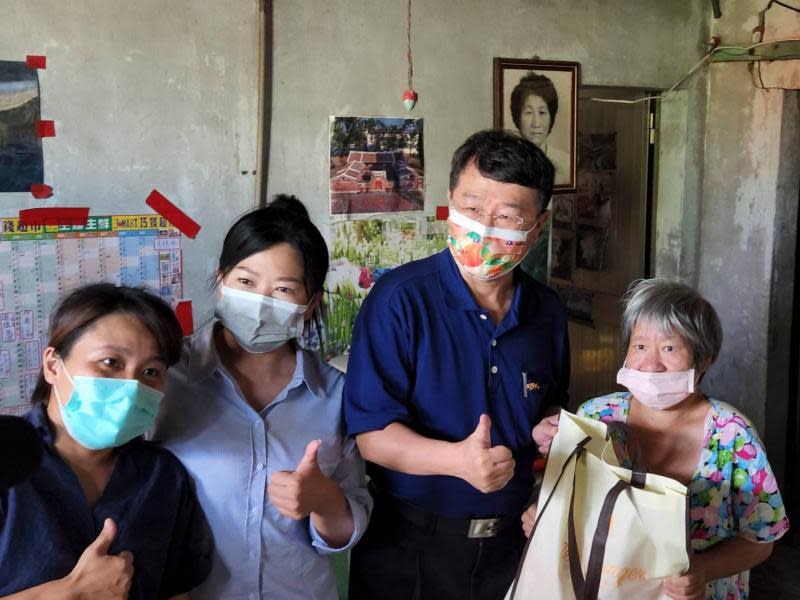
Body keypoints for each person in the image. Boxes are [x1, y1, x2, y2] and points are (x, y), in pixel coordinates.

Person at [345, 129, 570, 599]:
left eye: (507, 217)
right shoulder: (400, 301)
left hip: (514, 542)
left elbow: (550, 407)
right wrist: (456, 461)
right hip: (411, 545)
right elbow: (371, 436)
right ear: (449, 200)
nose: (485, 228)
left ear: (539, 223)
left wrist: (552, 430)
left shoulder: (546, 311)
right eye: (471, 209)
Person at [153, 195, 372, 600]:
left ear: (310, 304)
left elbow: (344, 533)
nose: (260, 303)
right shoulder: (166, 377)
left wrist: (324, 500)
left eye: (284, 289)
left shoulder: (337, 395)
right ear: (221, 281)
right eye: (246, 282)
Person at [532, 278, 789, 600]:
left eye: (669, 348)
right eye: (639, 346)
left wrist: (704, 569)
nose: (651, 364)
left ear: (703, 359)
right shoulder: (596, 415)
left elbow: (762, 537)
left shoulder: (733, 435)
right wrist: (541, 513)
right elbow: (564, 500)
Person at [0, 283, 212, 599]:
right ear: (53, 366)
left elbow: (176, 591)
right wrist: (73, 593)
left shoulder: (162, 477)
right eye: (110, 363)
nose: (130, 388)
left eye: (150, 371)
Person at [510, 72, 569, 185]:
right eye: (528, 112)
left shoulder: (565, 162)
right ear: (517, 117)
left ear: (551, 116)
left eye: (542, 112)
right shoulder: (508, 161)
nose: (536, 123)